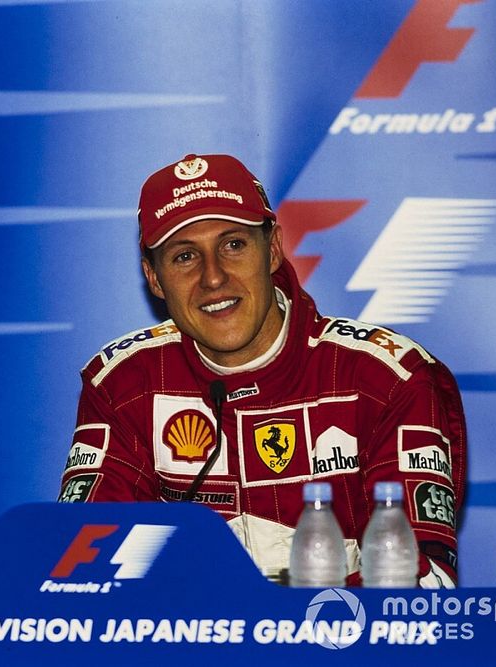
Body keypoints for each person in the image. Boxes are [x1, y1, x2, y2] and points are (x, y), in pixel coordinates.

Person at [59, 153, 466, 587]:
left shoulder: (385, 378)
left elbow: (420, 583)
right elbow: (85, 571)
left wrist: (269, 623)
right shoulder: (122, 384)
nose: (213, 278)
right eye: (184, 257)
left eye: (233, 245)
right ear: (154, 279)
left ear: (271, 250)